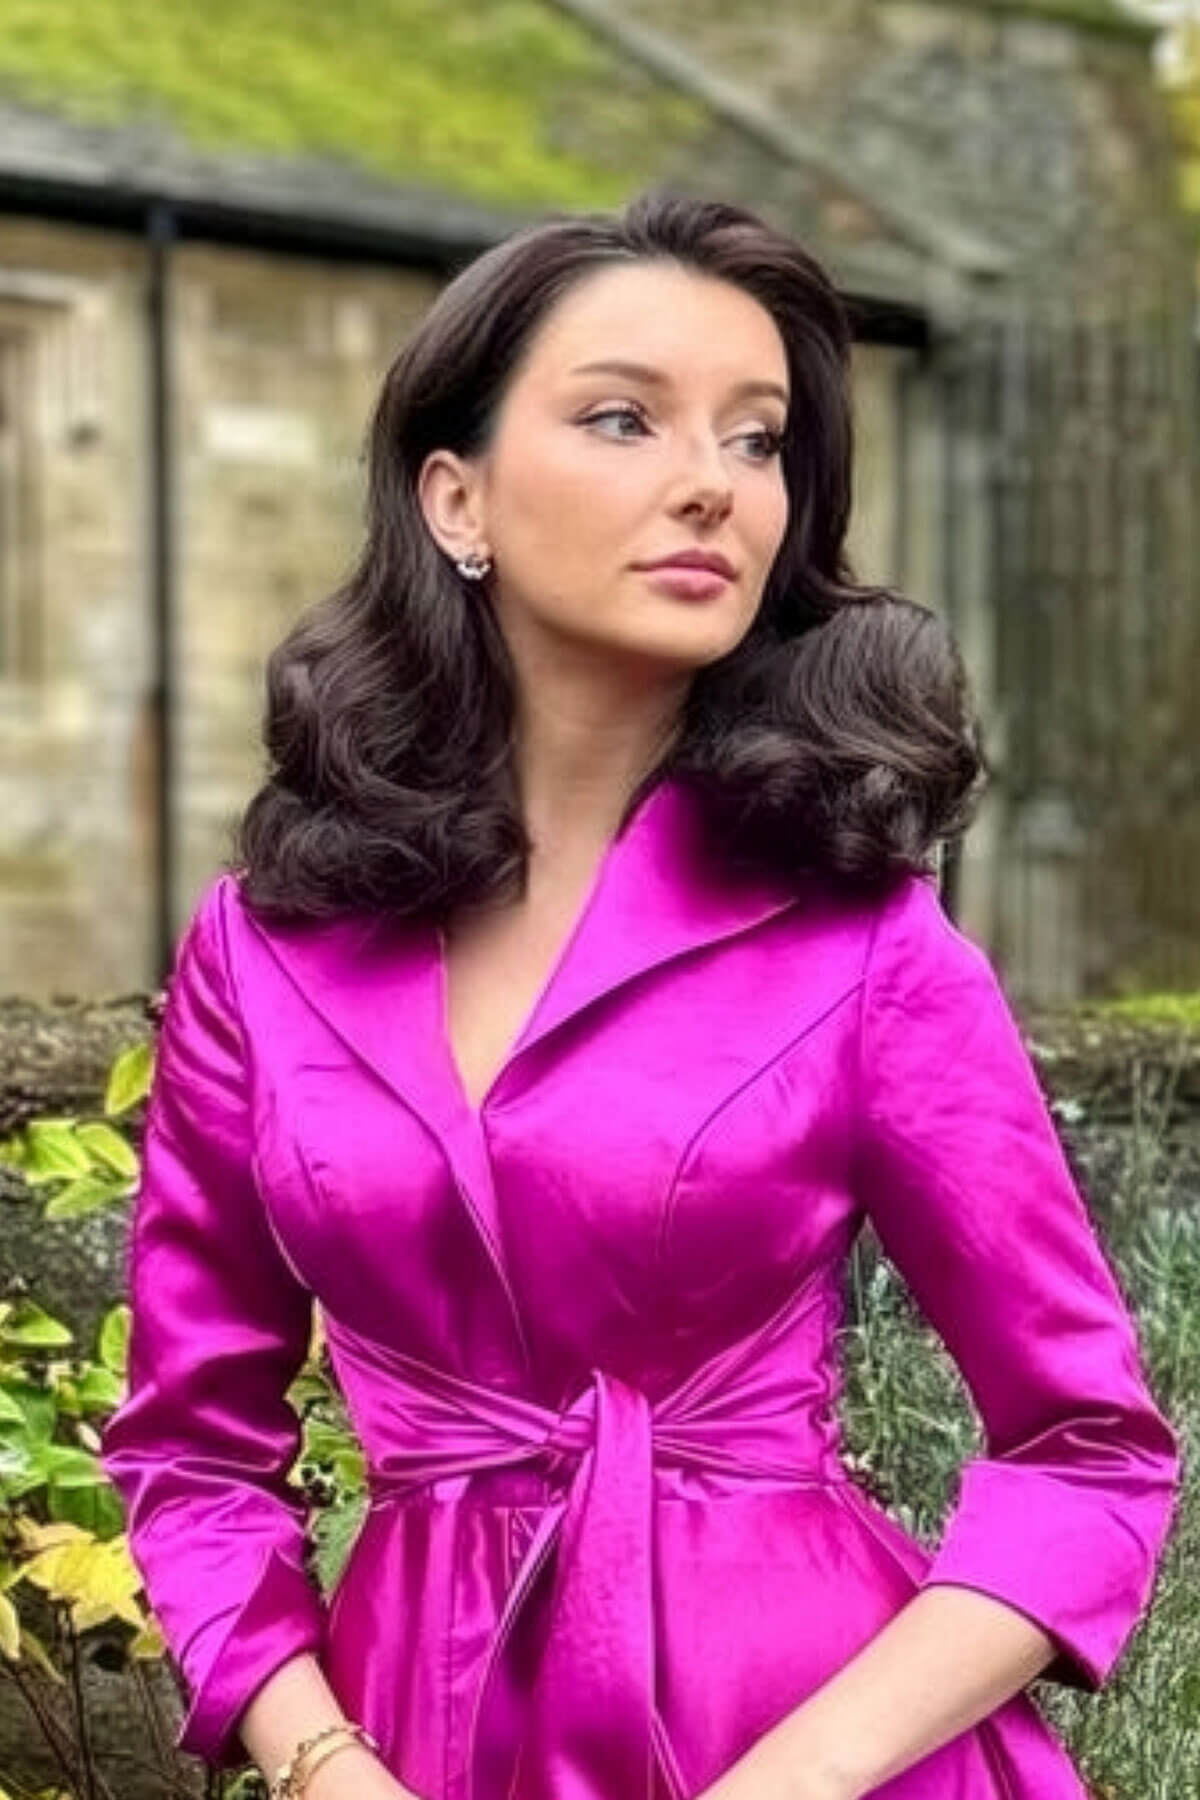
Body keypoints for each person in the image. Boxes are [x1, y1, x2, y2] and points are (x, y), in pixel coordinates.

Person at [99, 188, 1182, 1800]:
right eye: (625, 418)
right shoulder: (263, 954)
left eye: (760, 443)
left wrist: (795, 1782)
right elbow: (193, 1452)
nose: (712, 488)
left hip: (811, 1735)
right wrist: (322, 1761)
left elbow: (1089, 1453)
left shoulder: (864, 946)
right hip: (410, 1740)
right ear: (453, 496)